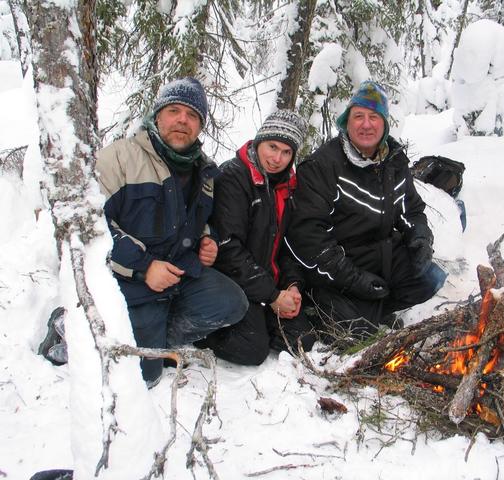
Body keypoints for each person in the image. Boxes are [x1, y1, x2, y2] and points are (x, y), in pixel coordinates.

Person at [96, 77, 248, 386]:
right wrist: (144, 268)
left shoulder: (203, 170)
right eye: (174, 110)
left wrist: (209, 239)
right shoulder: (119, 157)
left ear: (200, 126)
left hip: (178, 275)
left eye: (193, 115)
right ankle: (70, 329)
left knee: (233, 302)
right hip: (129, 282)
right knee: (145, 376)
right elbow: (95, 229)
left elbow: (203, 220)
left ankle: (152, 335)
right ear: (157, 116)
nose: (183, 120)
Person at [285, 80, 447, 338]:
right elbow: (307, 236)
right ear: (346, 122)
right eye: (358, 116)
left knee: (430, 278)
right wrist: (353, 279)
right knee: (356, 332)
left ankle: (374, 307)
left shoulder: (394, 161)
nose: (366, 124)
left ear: (384, 124)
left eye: (374, 116)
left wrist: (420, 236)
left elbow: (411, 210)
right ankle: (329, 308)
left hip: (380, 254)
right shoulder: (323, 165)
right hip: (335, 266)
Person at [196, 110, 316, 364]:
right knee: (251, 348)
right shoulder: (233, 177)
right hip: (233, 281)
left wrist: (291, 285)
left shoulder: (286, 187)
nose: (277, 158)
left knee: (301, 340)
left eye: (286, 152)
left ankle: (260, 318)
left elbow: (286, 245)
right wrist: (272, 297)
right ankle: (201, 335)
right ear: (260, 141)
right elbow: (228, 250)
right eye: (272, 147)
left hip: (263, 281)